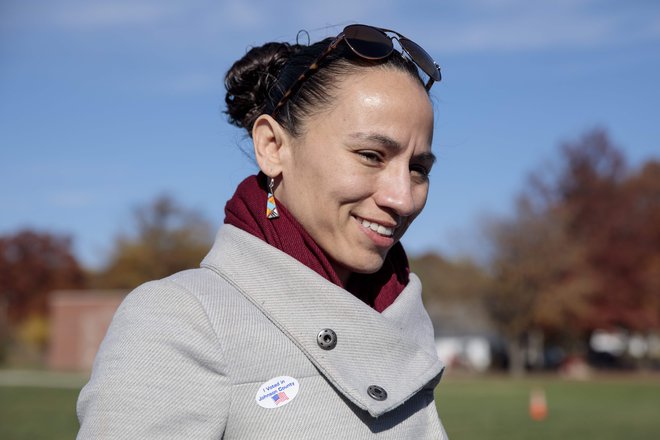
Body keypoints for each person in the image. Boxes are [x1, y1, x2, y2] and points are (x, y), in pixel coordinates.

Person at [77, 23, 447, 439]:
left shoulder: (400, 316)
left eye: (418, 169)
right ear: (273, 146)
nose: (402, 198)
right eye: (370, 155)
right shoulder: (184, 319)